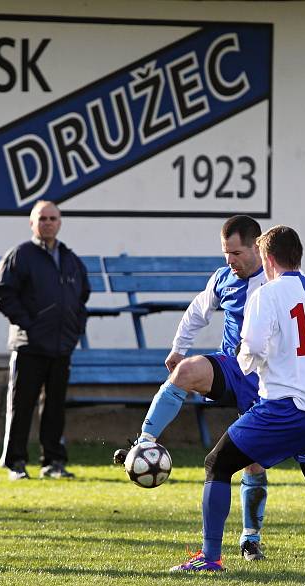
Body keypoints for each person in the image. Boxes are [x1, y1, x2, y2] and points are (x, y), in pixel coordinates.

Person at [170, 225, 305, 573]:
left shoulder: (266, 294)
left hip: (286, 405)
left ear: (268, 258)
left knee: (218, 463)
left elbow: (253, 348)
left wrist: (249, 367)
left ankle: (210, 558)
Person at [114, 215, 270, 561]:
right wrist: (178, 349)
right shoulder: (224, 278)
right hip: (231, 368)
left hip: (266, 379)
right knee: (184, 372)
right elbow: (198, 311)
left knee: (253, 463)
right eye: (226, 253)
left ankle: (250, 538)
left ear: (257, 246)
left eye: (237, 253)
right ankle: (145, 441)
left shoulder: (277, 281)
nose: (230, 260)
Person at [0, 200, 90, 481]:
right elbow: (1, 295)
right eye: (42, 218)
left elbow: (82, 296)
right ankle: (16, 464)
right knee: (21, 405)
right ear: (32, 223)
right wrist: (30, 324)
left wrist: (74, 329)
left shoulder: (71, 259)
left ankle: (54, 462)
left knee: (55, 407)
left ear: (60, 223)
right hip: (29, 345)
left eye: (52, 218)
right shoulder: (20, 255)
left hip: (61, 346)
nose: (47, 222)